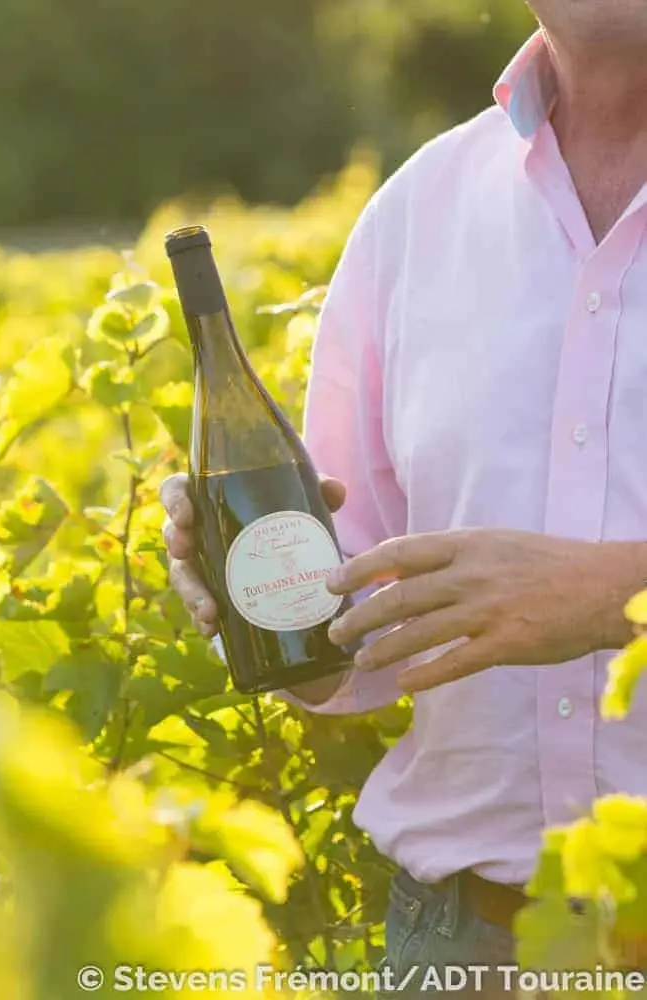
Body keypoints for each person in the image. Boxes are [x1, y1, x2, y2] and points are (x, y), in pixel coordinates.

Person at [160, 2, 647, 995]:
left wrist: (613, 595)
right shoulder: (419, 213)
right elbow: (355, 643)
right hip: (460, 947)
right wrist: (267, 594)